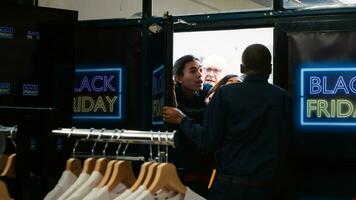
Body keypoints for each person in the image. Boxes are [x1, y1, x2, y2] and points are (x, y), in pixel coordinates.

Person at [164, 44, 293, 199]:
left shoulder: (225, 94)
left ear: (242, 68)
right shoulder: (284, 99)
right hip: (269, 190)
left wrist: (182, 120)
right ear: (270, 69)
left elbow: (208, 141)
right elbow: (290, 145)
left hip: (229, 188)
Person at [170, 55, 214, 198]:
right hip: (179, 173)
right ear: (178, 78)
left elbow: (209, 115)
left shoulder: (207, 92)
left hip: (206, 174)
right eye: (193, 71)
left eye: (201, 70)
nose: (200, 75)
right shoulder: (170, 95)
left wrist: (181, 115)